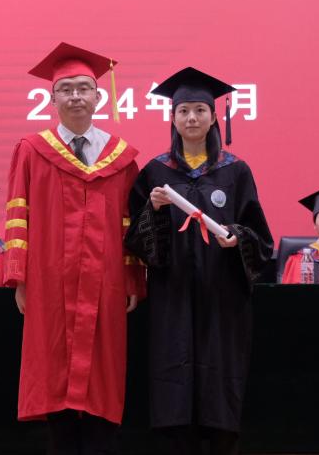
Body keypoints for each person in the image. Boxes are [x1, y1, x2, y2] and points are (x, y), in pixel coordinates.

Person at [3, 42, 145, 455]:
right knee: (55, 373)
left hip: (106, 282)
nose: (76, 96)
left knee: (103, 372)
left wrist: (132, 278)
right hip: (49, 281)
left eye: (84, 88)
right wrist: (18, 277)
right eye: (66, 89)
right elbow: (17, 215)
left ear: (99, 97)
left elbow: (131, 225)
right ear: (51, 99)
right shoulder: (32, 151)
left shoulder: (121, 158)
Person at [125, 67, 273, 455]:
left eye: (199, 110)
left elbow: (260, 239)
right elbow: (138, 242)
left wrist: (237, 237)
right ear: (172, 118)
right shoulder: (156, 172)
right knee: (173, 382)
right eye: (184, 111)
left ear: (213, 117)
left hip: (221, 296)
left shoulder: (235, 171)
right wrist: (155, 211)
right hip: (172, 295)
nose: (191, 118)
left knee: (219, 383)